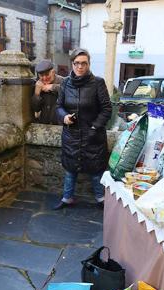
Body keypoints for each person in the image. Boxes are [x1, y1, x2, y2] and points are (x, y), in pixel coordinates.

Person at [54, 48, 112, 210]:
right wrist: (64, 117)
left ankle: (101, 198)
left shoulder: (98, 83)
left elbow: (107, 109)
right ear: (72, 64)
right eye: (77, 63)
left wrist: (95, 126)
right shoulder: (65, 83)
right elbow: (59, 106)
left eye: (84, 63)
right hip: (71, 134)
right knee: (70, 169)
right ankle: (67, 198)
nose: (80, 67)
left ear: (88, 64)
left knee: (95, 170)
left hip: (92, 133)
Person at [31, 60, 64, 125]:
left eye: (47, 74)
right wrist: (37, 94)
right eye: (41, 75)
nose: (44, 78)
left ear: (53, 72)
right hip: (44, 125)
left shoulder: (63, 81)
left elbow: (71, 91)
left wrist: (53, 87)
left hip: (61, 126)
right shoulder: (37, 84)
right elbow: (36, 109)